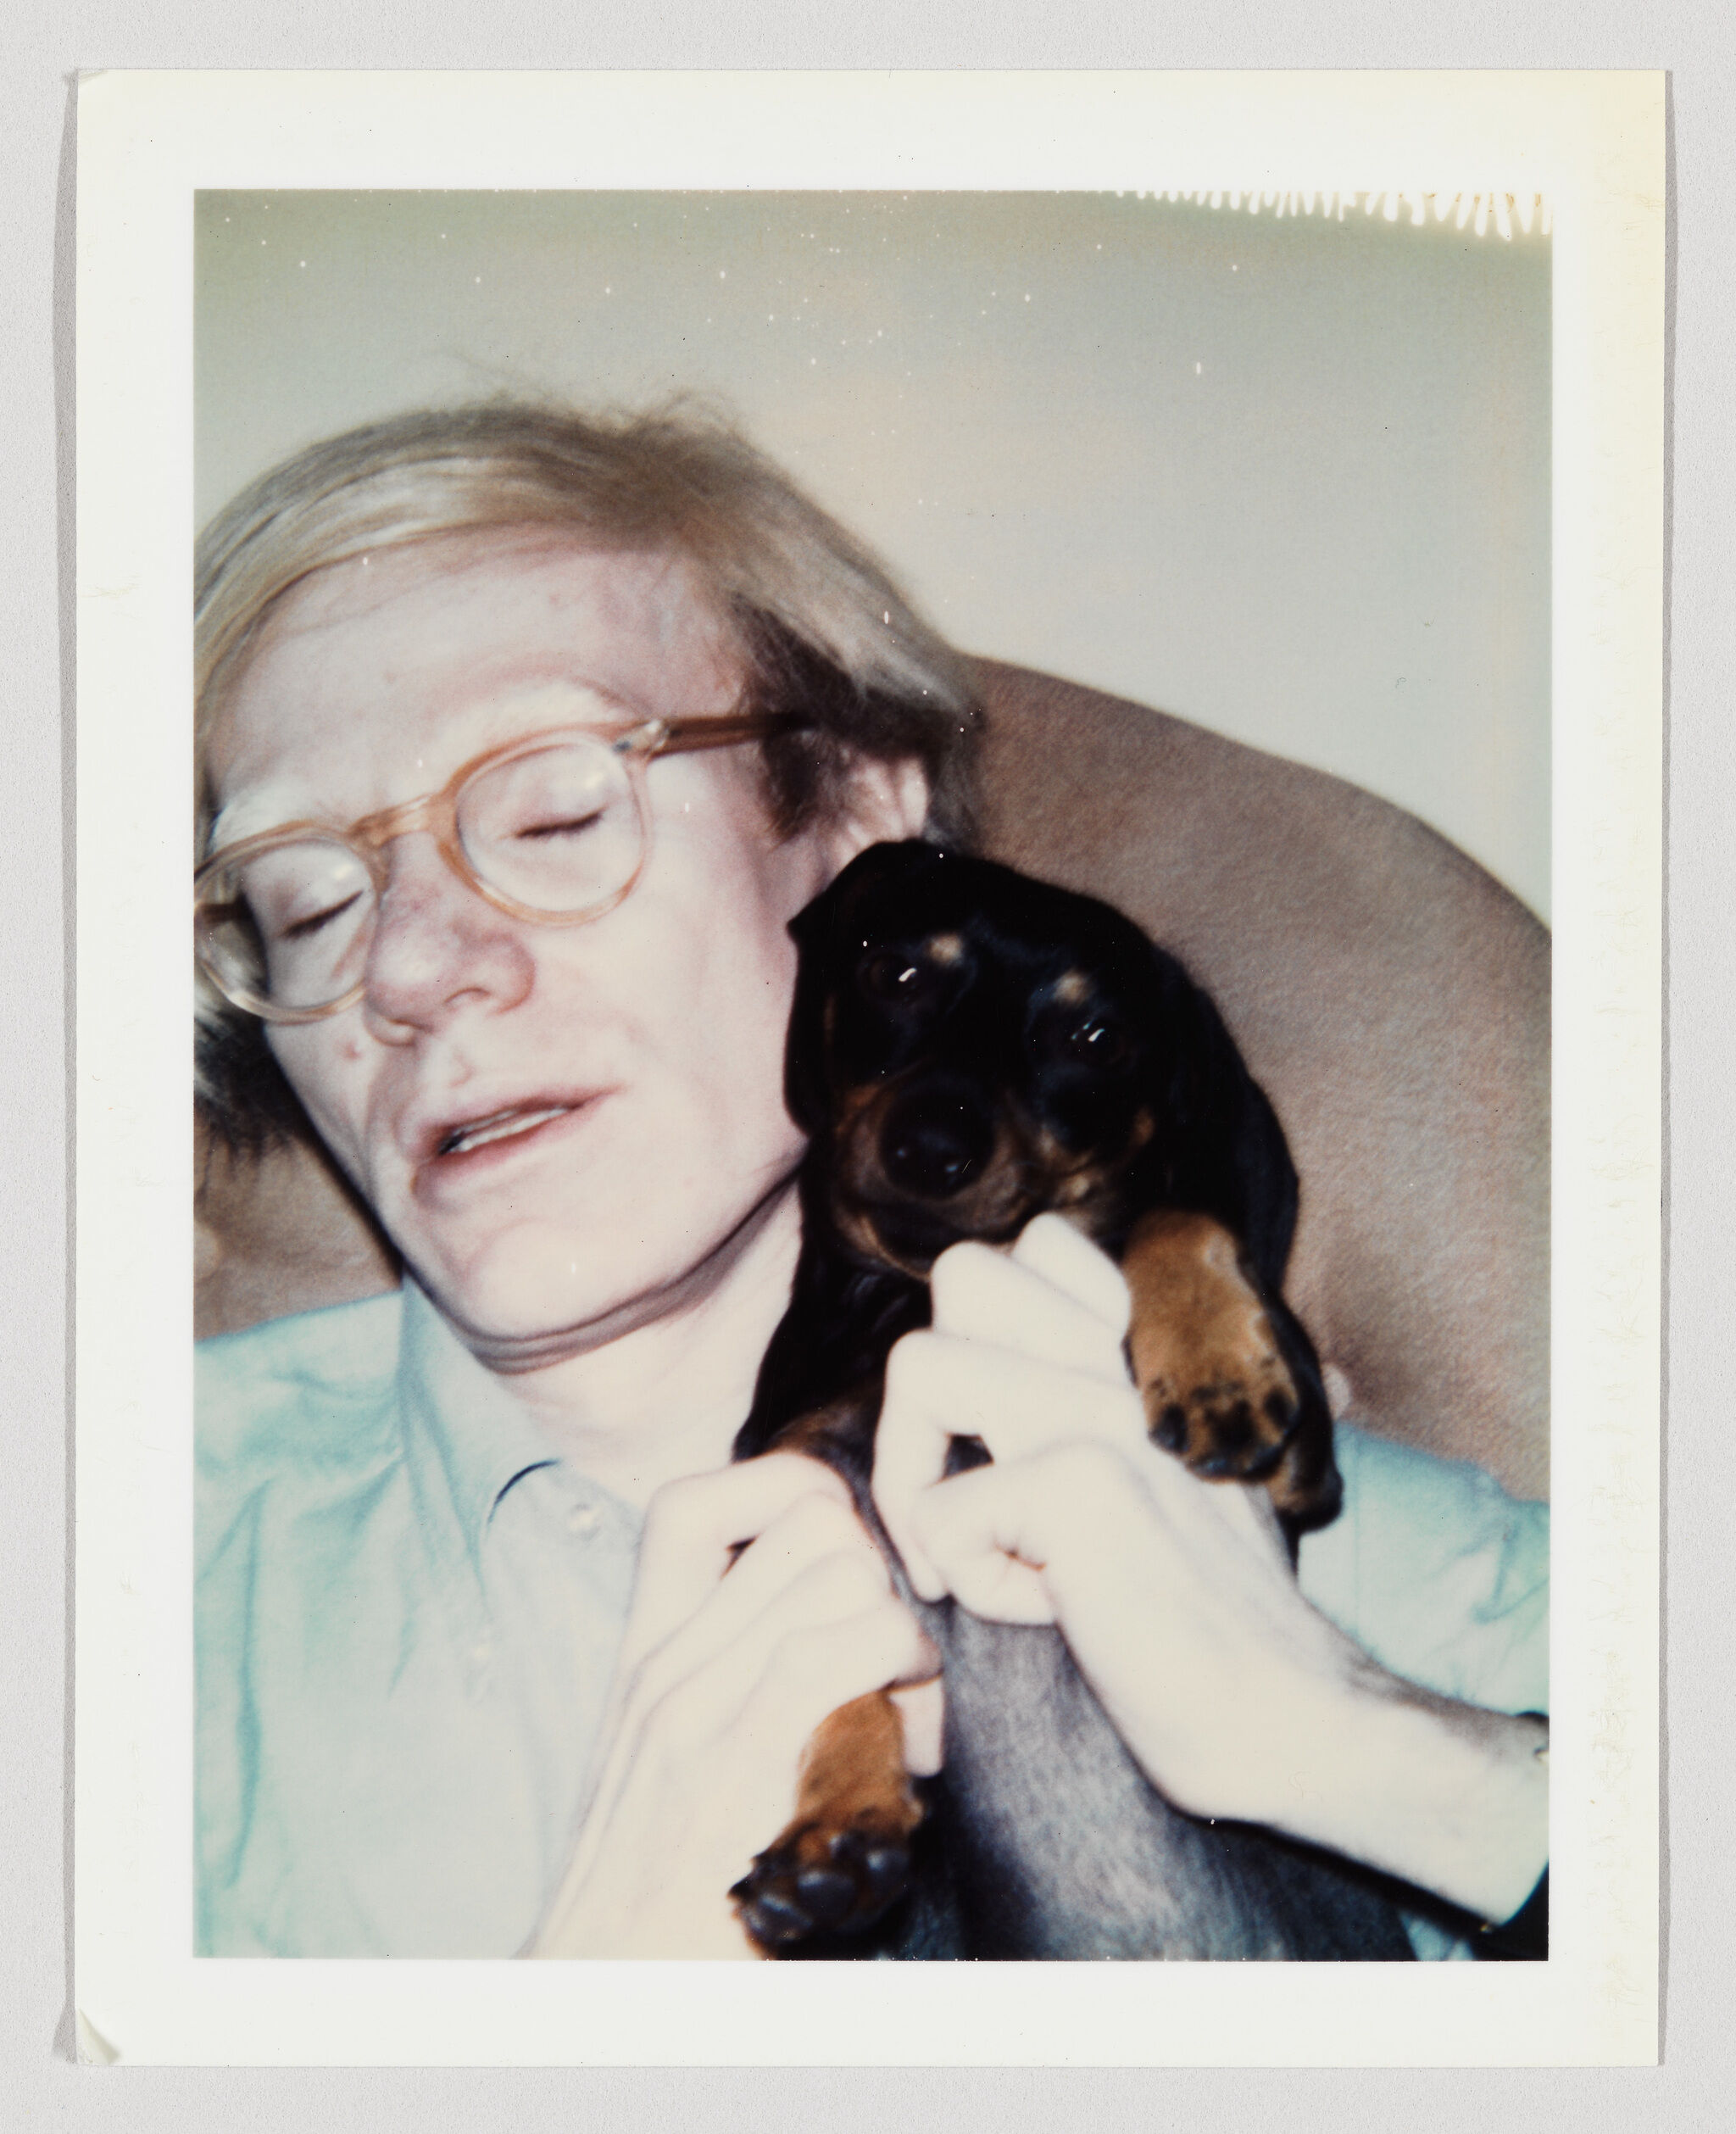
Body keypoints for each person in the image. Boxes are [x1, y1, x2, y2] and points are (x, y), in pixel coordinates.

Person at [193, 402, 1548, 1961]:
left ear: (852, 820)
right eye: (306, 901)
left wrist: (1375, 1741)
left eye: (557, 810)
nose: (413, 969)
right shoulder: (112, 1609)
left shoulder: (1405, 1571)